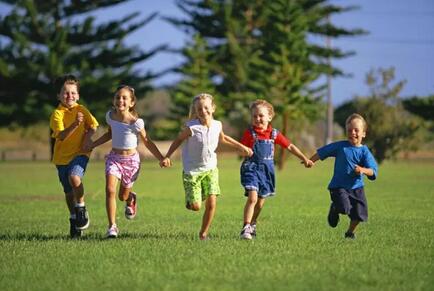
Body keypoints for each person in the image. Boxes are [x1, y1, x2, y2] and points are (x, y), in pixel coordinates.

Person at [161, 93, 253, 240]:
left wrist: (241, 147)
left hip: (210, 169)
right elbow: (178, 140)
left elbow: (223, 138)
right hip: (192, 171)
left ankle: (203, 234)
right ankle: (192, 200)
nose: (203, 111)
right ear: (195, 111)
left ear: (213, 108)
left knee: (212, 202)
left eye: (206, 107)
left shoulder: (217, 125)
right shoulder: (192, 127)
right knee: (196, 206)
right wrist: (167, 156)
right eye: (199, 109)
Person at [87, 85, 165, 238]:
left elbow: (148, 142)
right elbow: (109, 134)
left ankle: (131, 198)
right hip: (114, 159)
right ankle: (112, 227)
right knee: (110, 190)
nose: (120, 100)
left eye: (124, 98)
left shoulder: (136, 122)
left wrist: (161, 158)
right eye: (117, 97)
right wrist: (93, 144)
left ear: (132, 103)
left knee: (122, 196)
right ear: (113, 100)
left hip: (131, 162)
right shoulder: (110, 116)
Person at [239, 99, 313, 240]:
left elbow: (290, 146)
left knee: (260, 203)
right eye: (254, 116)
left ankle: (253, 223)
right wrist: (244, 151)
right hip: (251, 169)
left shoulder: (274, 134)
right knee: (253, 198)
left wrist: (304, 158)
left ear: (269, 117)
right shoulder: (249, 133)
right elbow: (241, 149)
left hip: (266, 172)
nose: (257, 119)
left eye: (261, 116)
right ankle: (246, 227)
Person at [309, 113, 378, 239]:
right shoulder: (341, 146)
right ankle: (335, 207)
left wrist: (363, 170)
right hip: (338, 186)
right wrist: (311, 161)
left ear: (363, 133)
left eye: (356, 130)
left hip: (357, 187)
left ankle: (350, 232)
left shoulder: (364, 152)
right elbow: (324, 151)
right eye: (349, 130)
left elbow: (373, 171)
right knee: (344, 208)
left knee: (359, 215)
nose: (352, 133)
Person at [50, 74, 99, 238]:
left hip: (80, 153)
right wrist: (76, 124)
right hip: (61, 158)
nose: (69, 96)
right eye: (65, 92)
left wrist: (86, 140)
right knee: (68, 193)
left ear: (78, 95)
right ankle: (73, 218)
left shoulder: (82, 109)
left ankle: (81, 208)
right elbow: (61, 135)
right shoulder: (57, 114)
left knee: (74, 177)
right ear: (58, 95)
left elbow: (93, 126)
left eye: (73, 93)